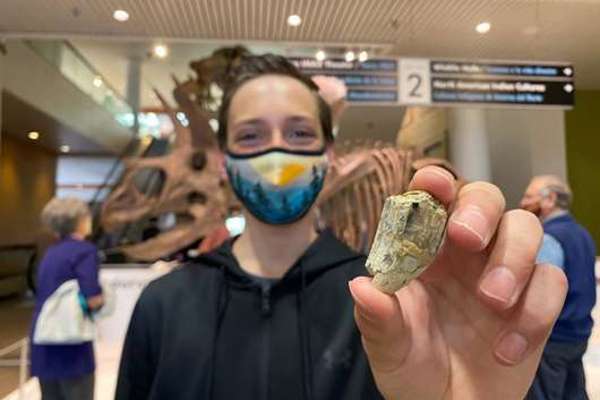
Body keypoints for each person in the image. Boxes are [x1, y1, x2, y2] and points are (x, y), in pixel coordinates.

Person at [115, 54, 568, 400]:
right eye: (251, 136)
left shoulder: (391, 308)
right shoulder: (163, 305)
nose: (277, 155)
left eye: (299, 134)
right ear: (224, 160)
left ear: (328, 154)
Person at [521, 175, 597, 400]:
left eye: (528, 196)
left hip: (554, 339)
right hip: (579, 333)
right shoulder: (582, 233)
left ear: (550, 199)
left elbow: (540, 295)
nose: (523, 202)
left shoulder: (549, 238)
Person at [30, 197, 104, 400]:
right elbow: (93, 299)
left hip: (44, 338)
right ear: (80, 220)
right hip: (71, 343)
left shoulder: (50, 253)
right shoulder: (85, 251)